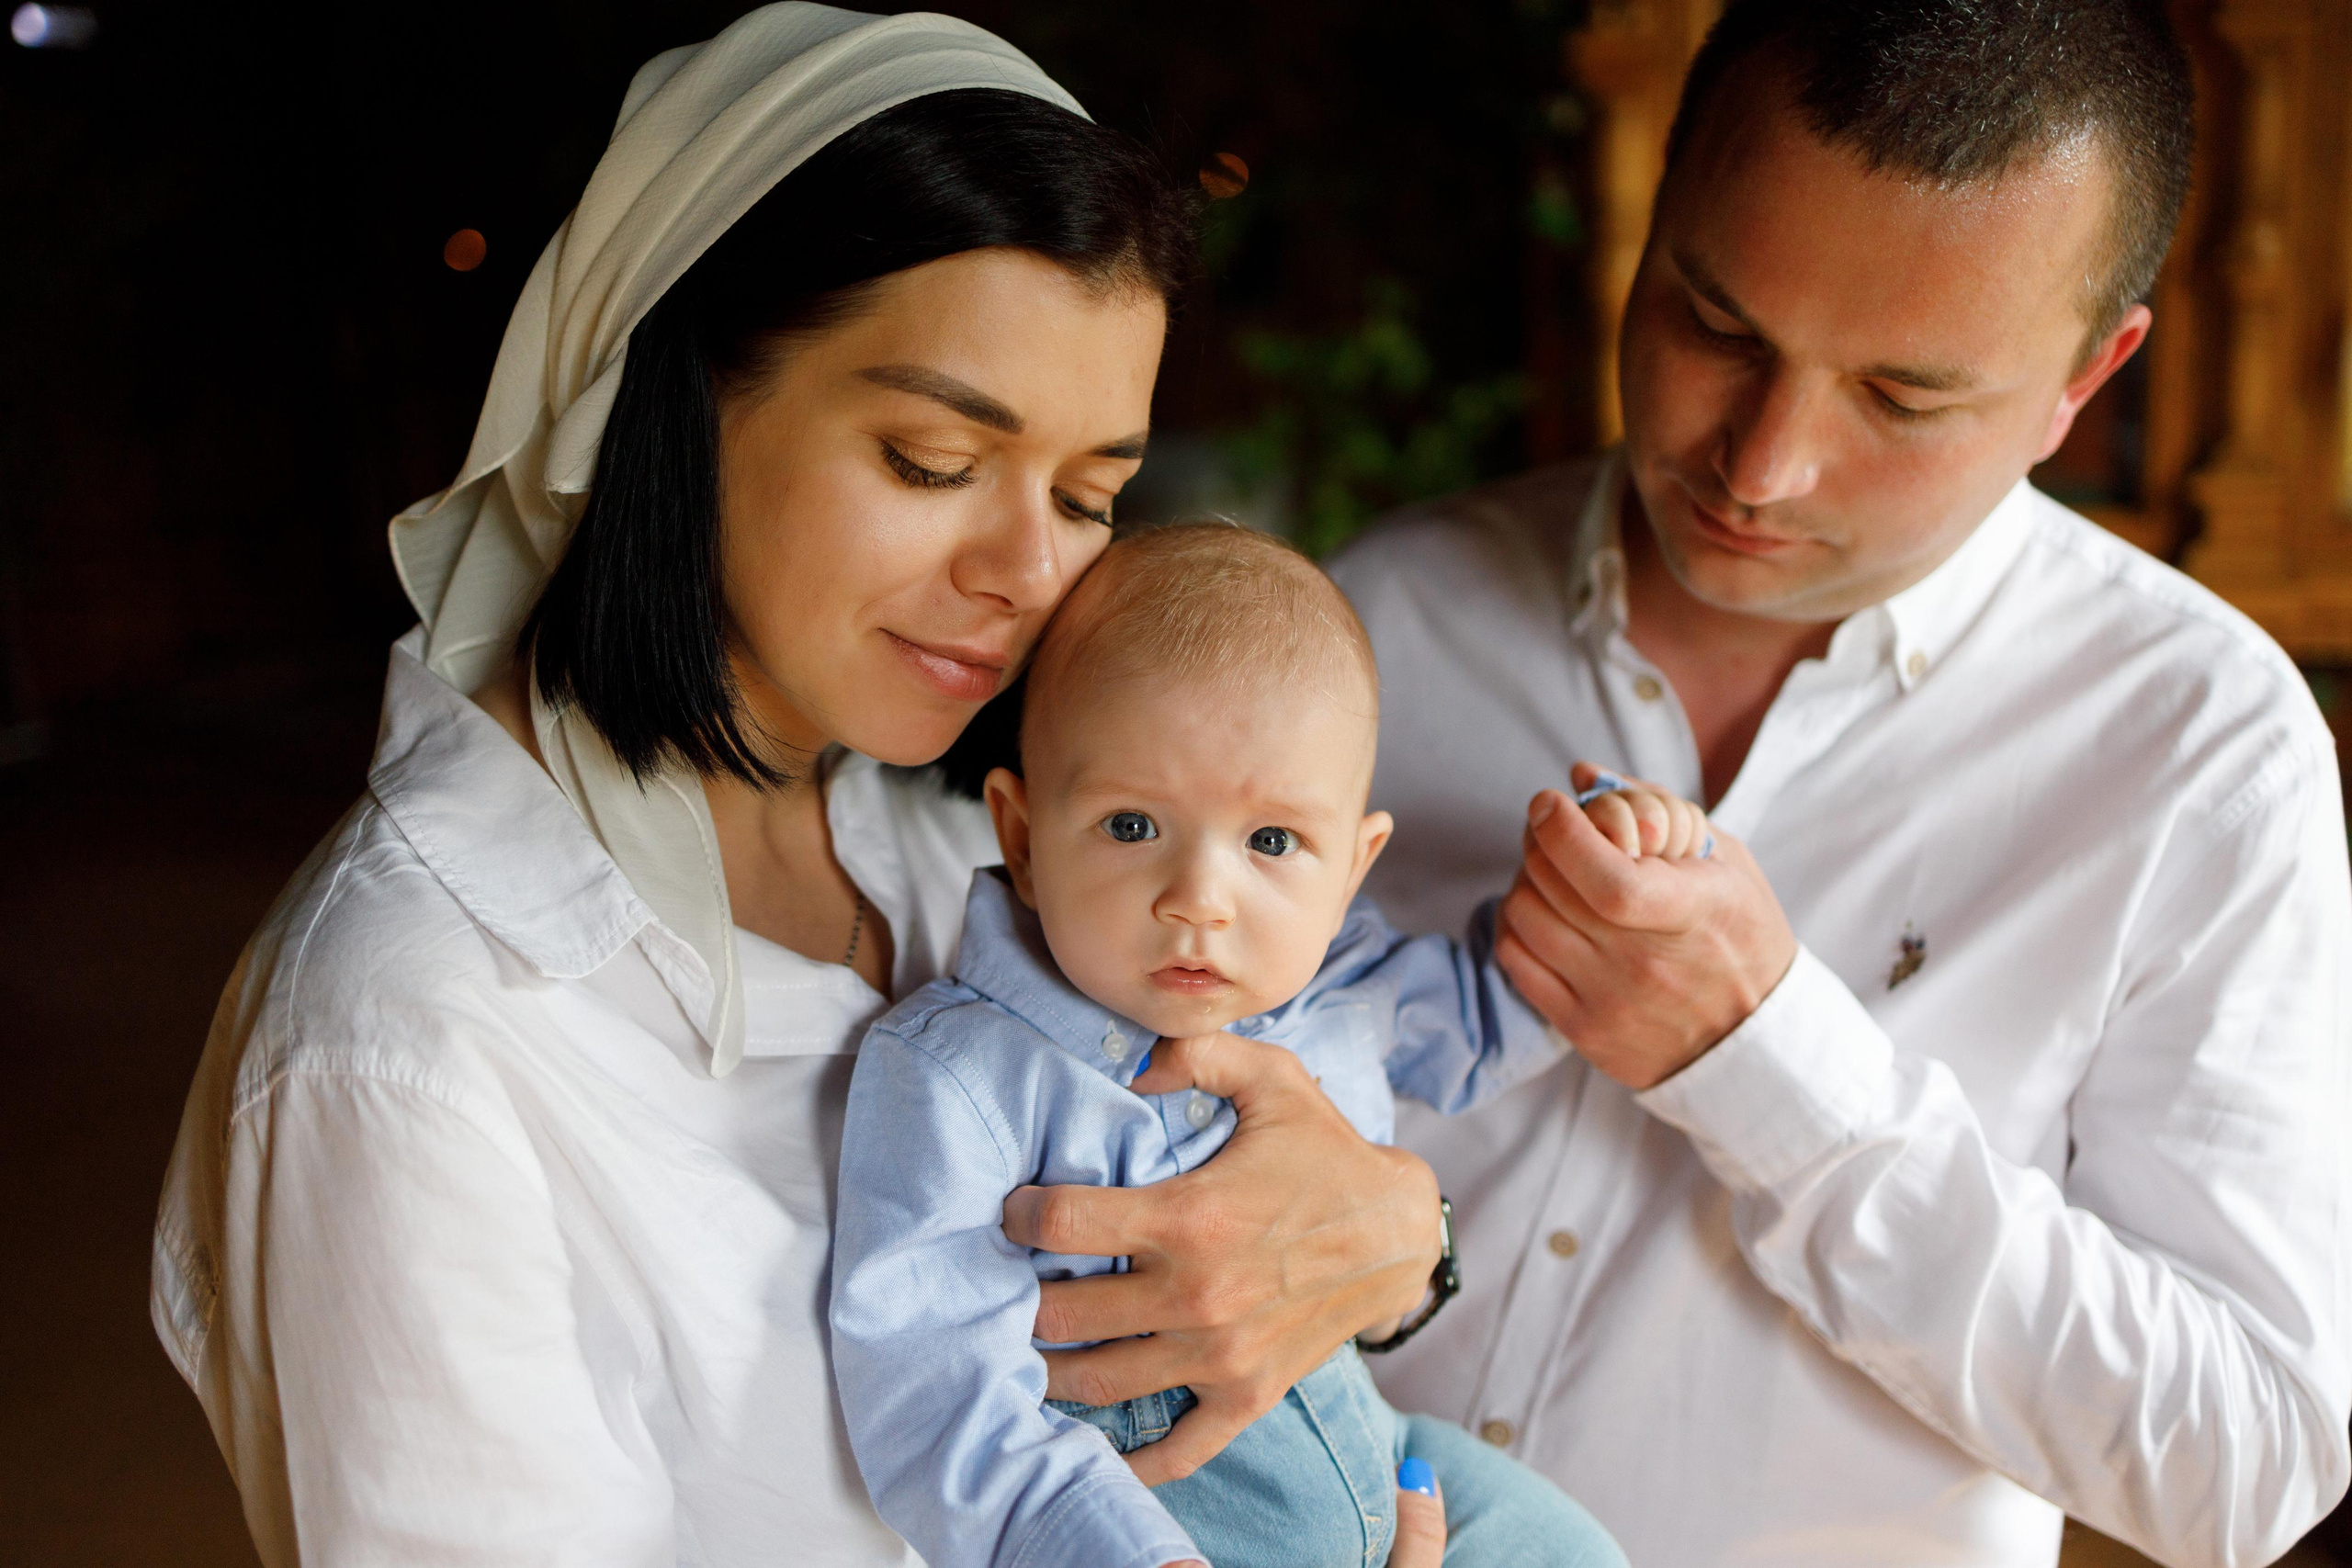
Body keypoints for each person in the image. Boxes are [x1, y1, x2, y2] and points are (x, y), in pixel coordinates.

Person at [148, 9, 1452, 1563]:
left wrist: (1396, 1242)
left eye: (1092, 495)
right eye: (928, 460)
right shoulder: (412, 1037)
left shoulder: (968, 848)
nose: (1031, 571)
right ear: (668, 395)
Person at [1329, 2, 2352, 1565]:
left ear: (2094, 369)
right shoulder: (1382, 621)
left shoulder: (2203, 749)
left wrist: (1770, 1064)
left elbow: (2242, 1464)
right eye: (1716, 325)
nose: (1762, 466)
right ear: (1661, 205)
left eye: (1903, 397)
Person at [831, 525, 1662, 1568]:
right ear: (1022, 837)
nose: (1199, 902)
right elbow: (931, 1384)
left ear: (1352, 869)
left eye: (1271, 842)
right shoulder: (960, 1074)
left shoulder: (1346, 985)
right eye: (1133, 826)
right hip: (1158, 1520)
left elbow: (1501, 1010)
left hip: (1382, 1452)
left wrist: (1606, 866)